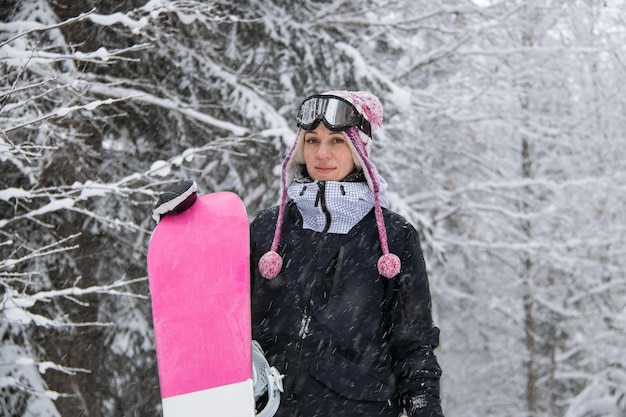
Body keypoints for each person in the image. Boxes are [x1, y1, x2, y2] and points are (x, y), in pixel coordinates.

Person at [153, 90, 445, 417]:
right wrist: (185, 231)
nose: (322, 153)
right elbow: (216, 306)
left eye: (337, 141)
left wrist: (424, 407)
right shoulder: (268, 229)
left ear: (359, 149)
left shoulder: (392, 237)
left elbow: (414, 343)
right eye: (311, 140)